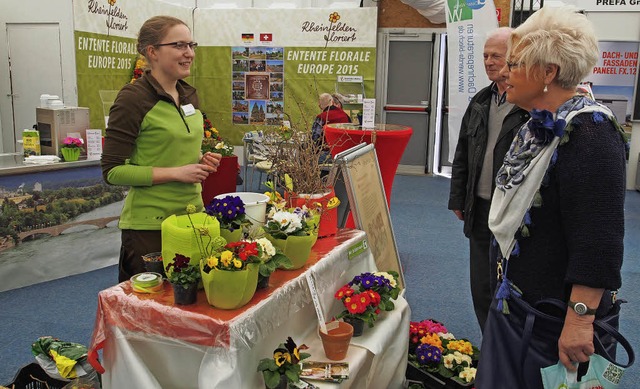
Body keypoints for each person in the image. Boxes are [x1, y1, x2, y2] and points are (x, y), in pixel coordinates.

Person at [475, 6, 627, 387]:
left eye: (515, 63)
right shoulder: (535, 129)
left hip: (555, 323)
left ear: (548, 73)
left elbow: (599, 240)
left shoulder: (591, 133)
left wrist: (579, 320)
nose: (504, 73)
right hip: (519, 305)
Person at [101, 16, 222, 283]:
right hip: (149, 228)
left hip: (192, 218)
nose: (188, 53)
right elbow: (112, 172)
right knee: (151, 315)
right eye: (179, 45)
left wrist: (202, 161)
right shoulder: (133, 99)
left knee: (190, 308)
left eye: (191, 45)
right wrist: (177, 173)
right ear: (152, 52)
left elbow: (174, 151)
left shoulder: (189, 95)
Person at [447, 27, 529, 333]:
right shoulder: (481, 100)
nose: (489, 61)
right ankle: (492, 350)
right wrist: (458, 198)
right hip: (479, 209)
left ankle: (509, 355)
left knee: (510, 288)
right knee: (481, 287)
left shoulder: (529, 107)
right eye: (485, 55)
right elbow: (463, 151)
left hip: (513, 215)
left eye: (496, 55)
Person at [311, 93, 351, 164]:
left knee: (309, 162)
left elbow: (314, 139)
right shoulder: (344, 115)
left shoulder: (321, 117)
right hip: (345, 153)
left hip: (327, 154)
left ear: (319, 106)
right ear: (332, 102)